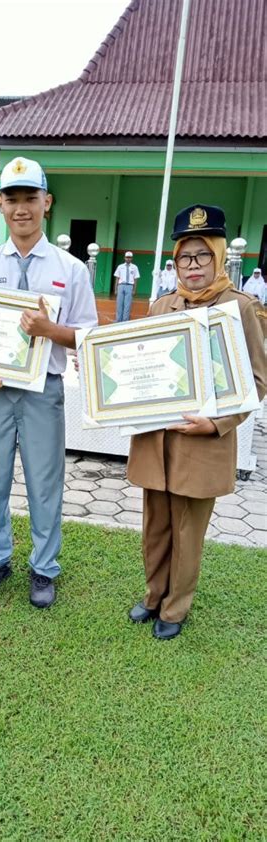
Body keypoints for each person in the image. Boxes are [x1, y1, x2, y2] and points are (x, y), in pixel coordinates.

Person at [0, 156, 98, 608]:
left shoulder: (72, 269)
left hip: (45, 391)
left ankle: (43, 569)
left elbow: (87, 336)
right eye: (12, 199)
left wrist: (48, 330)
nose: (22, 208)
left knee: (44, 482)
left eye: (31, 198)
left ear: (47, 202)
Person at [127, 204, 265, 640]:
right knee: (156, 526)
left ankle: (176, 606)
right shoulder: (162, 305)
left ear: (219, 256)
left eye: (202, 255)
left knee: (188, 530)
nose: (193, 266)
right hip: (158, 439)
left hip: (202, 442)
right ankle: (153, 594)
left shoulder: (240, 308)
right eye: (184, 257)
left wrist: (219, 423)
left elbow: (258, 380)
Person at [114, 251, 140, 321]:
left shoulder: (134, 267)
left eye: (130, 257)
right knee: (119, 304)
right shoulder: (120, 266)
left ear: (132, 258)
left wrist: (134, 289)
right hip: (121, 286)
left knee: (127, 305)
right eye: (127, 257)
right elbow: (117, 278)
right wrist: (116, 289)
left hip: (129, 286)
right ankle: (118, 320)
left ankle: (125, 321)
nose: (128, 259)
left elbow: (135, 279)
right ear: (124, 258)